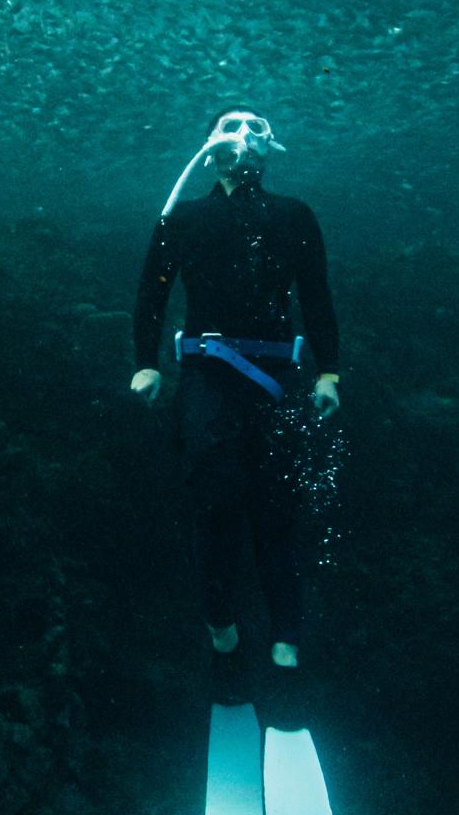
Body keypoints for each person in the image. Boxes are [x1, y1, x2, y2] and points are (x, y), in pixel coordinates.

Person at [130, 108, 340, 674]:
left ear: (272, 148)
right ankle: (221, 619)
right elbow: (151, 298)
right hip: (208, 378)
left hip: (277, 381)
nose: (244, 136)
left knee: (280, 504)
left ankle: (286, 633)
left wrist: (330, 372)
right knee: (214, 499)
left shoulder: (295, 216)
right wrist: (145, 364)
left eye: (257, 127)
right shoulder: (182, 219)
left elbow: (316, 295)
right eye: (232, 125)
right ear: (210, 146)